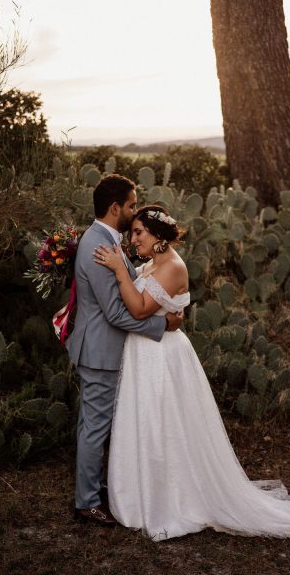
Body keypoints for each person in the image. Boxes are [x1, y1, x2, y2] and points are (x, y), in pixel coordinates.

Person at [93, 204, 290, 541]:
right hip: (146, 350)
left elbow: (139, 307)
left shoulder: (172, 265)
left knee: (165, 424)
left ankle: (169, 499)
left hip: (162, 356)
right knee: (145, 420)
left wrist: (119, 269)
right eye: (132, 232)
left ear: (158, 235)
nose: (133, 239)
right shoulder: (155, 263)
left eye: (139, 232)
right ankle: (139, 493)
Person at [67, 175, 183, 526]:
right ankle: (87, 503)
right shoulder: (97, 248)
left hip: (105, 347)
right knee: (95, 426)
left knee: (96, 423)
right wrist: (162, 325)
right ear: (115, 207)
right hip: (101, 350)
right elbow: (116, 312)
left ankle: (96, 488)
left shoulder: (105, 240)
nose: (135, 212)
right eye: (132, 205)